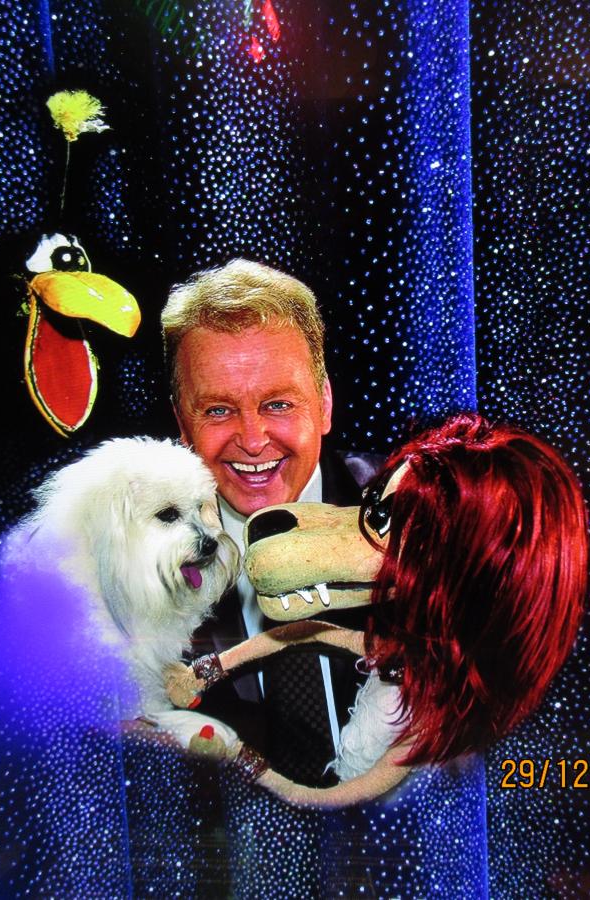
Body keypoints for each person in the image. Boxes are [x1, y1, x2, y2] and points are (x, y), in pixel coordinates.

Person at [161, 259, 378, 786]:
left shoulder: (420, 516)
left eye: (278, 404)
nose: (253, 440)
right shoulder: (138, 558)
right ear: (182, 422)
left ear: (324, 404)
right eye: (217, 410)